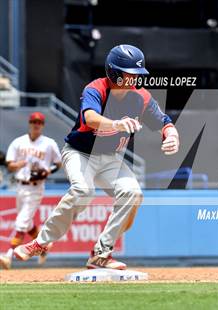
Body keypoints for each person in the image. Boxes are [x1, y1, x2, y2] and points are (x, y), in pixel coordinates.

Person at [14, 44, 180, 270]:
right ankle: (40, 243)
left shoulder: (141, 97)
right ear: (113, 72)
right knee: (83, 191)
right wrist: (116, 124)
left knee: (133, 194)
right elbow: (90, 117)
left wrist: (171, 135)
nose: (133, 79)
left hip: (111, 159)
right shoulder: (97, 88)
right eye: (128, 74)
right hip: (79, 153)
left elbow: (164, 121)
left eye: (137, 74)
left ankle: (101, 254)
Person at [0, 112, 62, 270]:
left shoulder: (49, 143)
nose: (36, 124)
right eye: (34, 121)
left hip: (36, 187)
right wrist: (18, 164)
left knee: (21, 223)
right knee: (27, 225)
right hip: (20, 186)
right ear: (29, 123)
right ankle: (44, 246)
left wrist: (49, 171)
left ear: (42, 125)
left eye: (39, 122)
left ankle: (8, 255)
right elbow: (9, 164)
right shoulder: (19, 142)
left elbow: (58, 163)